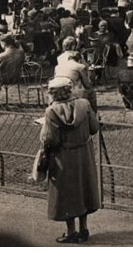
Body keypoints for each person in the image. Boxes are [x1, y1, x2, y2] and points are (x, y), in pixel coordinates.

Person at [40, 76, 100, 243]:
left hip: (63, 155)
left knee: (67, 192)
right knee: (84, 188)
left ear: (52, 93)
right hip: (83, 153)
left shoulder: (51, 111)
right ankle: (84, 228)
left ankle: (71, 231)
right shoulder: (84, 104)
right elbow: (94, 128)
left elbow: (52, 140)